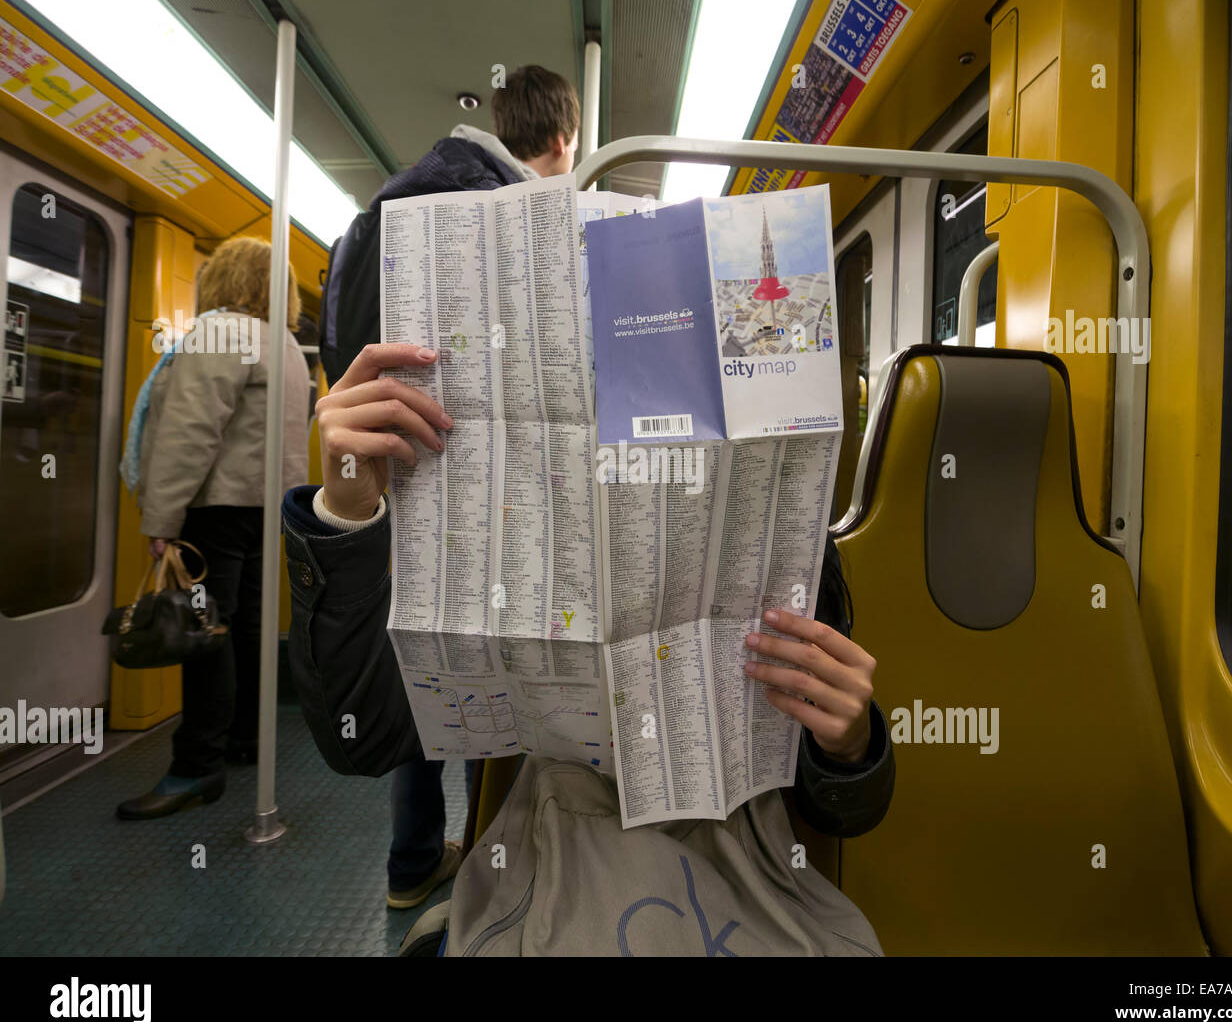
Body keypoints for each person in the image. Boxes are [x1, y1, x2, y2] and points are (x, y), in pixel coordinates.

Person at [284, 336, 894, 954]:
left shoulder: (783, 538)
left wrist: (850, 747)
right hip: (560, 852)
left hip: (744, 868)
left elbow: (842, 813)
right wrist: (345, 510)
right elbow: (360, 737)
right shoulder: (512, 537)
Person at [320, 64, 580, 910]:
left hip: (390, 505)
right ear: (563, 143)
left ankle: (410, 861)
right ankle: (490, 856)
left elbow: (344, 369)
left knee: (418, 675)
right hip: (501, 517)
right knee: (498, 687)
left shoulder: (384, 215)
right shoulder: (536, 227)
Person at [117, 236, 312, 819]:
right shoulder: (284, 342)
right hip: (261, 509)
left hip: (215, 511)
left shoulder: (219, 333)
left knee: (204, 630)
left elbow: (189, 432)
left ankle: (195, 767)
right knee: (246, 625)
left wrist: (162, 518)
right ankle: (244, 738)